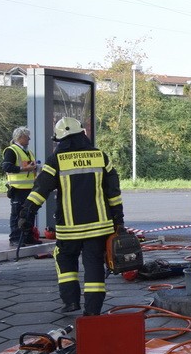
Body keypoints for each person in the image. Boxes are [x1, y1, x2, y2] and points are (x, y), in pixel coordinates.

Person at [19, 118, 124, 315]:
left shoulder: (56, 160)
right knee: (93, 264)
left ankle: (71, 302)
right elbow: (114, 193)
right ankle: (92, 311)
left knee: (65, 259)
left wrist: (27, 214)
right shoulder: (100, 156)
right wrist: (119, 221)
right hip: (99, 226)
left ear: (60, 139)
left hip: (69, 227)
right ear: (82, 134)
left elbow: (40, 189)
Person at [2, 126, 38, 246]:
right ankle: (15, 238)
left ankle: (28, 237)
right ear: (20, 137)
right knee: (17, 214)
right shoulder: (11, 150)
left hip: (30, 188)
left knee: (30, 212)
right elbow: (6, 167)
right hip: (17, 188)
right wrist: (24, 169)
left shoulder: (28, 152)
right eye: (27, 136)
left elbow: (31, 168)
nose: (29, 139)